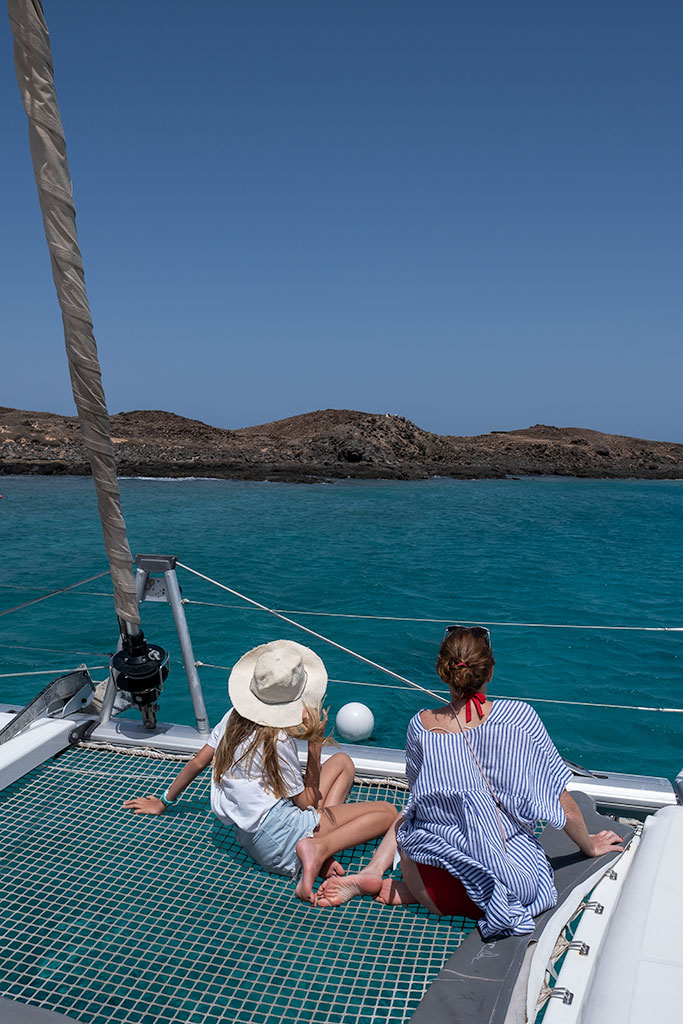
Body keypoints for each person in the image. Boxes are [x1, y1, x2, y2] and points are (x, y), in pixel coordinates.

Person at [315, 626, 623, 937]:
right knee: (506, 844)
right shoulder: (519, 718)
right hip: (515, 890)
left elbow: (419, 799)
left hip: (434, 885)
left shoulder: (420, 727)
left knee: (407, 818)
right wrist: (589, 846)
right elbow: (563, 804)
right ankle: (403, 887)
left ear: (442, 672)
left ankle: (377, 874)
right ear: (489, 672)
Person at [123, 639, 397, 903]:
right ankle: (318, 848)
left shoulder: (233, 717)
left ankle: (323, 850)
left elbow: (198, 762)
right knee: (388, 813)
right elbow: (307, 802)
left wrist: (164, 801)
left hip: (252, 839)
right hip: (280, 839)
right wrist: (314, 744)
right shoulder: (278, 740)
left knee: (342, 762)